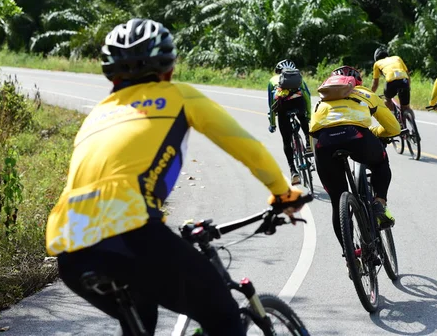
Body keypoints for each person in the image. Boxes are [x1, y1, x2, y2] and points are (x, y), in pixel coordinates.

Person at [45, 19, 307, 336]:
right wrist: (283, 194)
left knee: (140, 315)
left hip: (71, 252)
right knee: (224, 317)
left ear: (112, 76)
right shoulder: (178, 95)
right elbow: (247, 147)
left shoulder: (98, 113)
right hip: (133, 238)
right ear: (169, 69)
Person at [310, 65, 400, 250]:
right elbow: (393, 128)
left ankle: (351, 255)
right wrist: (376, 133)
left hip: (323, 143)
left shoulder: (322, 101)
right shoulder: (364, 93)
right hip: (357, 136)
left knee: (337, 202)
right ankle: (379, 203)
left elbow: (313, 133)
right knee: (380, 161)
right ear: (355, 82)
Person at [267, 59, 312, 185]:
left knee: (286, 141)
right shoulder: (299, 78)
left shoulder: (272, 80)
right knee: (303, 119)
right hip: (299, 103)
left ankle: (293, 171)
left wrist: (272, 123)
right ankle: (308, 144)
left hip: (283, 108)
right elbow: (307, 96)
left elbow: (272, 104)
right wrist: (308, 115)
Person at [371, 47, 413, 118]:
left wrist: (370, 94)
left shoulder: (377, 63)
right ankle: (413, 125)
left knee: (388, 100)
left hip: (391, 82)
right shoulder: (397, 58)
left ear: (376, 58)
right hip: (404, 81)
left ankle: (394, 118)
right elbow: (407, 74)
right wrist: (408, 86)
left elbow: (375, 84)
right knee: (406, 107)